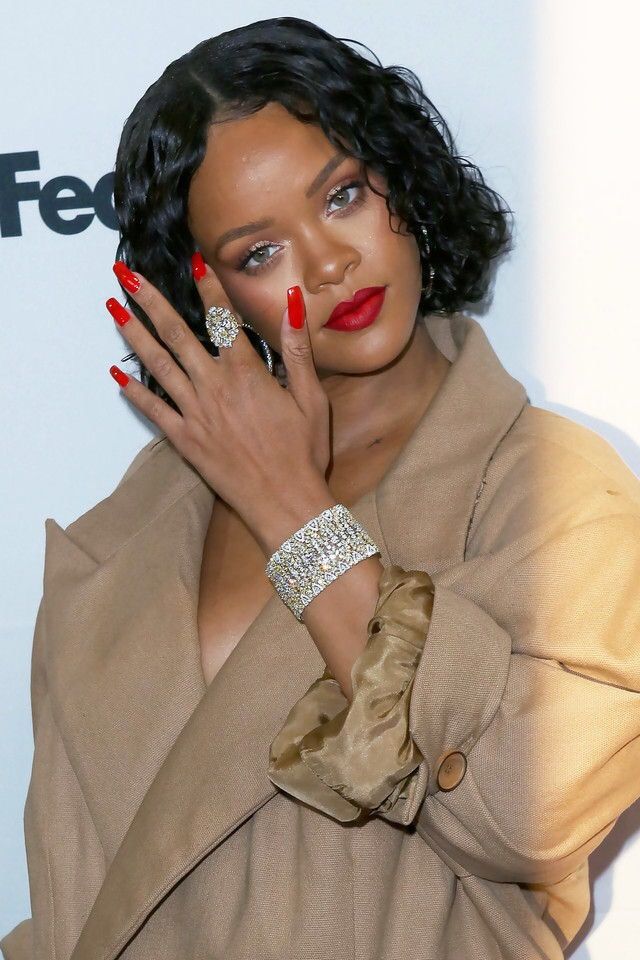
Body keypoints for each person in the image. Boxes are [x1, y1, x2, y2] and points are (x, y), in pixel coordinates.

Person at [2, 15, 640, 960]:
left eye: (341, 195)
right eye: (261, 252)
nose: (331, 262)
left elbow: (523, 811)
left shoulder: (548, 490)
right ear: (208, 297)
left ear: (399, 175)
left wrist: (295, 515)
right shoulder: (129, 531)